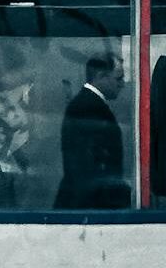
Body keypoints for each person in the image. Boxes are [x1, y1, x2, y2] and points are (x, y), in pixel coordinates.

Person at [54, 54, 127, 209]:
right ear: (101, 76)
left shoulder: (88, 104)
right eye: (119, 78)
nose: (122, 84)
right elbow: (88, 165)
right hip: (88, 205)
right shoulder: (88, 107)